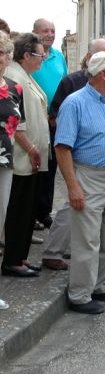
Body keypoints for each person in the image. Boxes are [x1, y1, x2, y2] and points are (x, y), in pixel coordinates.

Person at [55, 51, 105, 314]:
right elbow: (62, 148)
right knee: (87, 239)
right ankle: (79, 295)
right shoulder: (74, 103)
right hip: (88, 175)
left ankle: (100, 285)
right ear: (104, 74)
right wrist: (73, 187)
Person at [41, 38, 105, 273]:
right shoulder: (72, 89)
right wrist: (73, 183)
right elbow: (58, 129)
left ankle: (99, 279)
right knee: (82, 226)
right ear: (91, 60)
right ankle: (63, 263)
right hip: (84, 167)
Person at [2, 33, 49, 277]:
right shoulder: (14, 76)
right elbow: (16, 123)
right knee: (18, 211)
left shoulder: (25, 76)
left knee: (27, 210)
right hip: (21, 157)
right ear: (27, 55)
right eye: (40, 55)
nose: (43, 58)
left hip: (30, 156)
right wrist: (31, 149)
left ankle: (20, 256)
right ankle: (12, 260)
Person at [32, 19, 68, 230]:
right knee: (35, 167)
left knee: (52, 167)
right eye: (45, 31)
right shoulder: (28, 55)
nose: (50, 34)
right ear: (35, 32)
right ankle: (31, 213)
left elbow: (65, 85)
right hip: (35, 120)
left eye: (53, 31)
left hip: (55, 120)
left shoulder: (58, 56)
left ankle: (44, 211)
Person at [0, 31, 24, 307]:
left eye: (3, 52)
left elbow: (18, 127)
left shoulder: (15, 89)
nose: (0, 57)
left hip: (5, 162)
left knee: (0, 221)